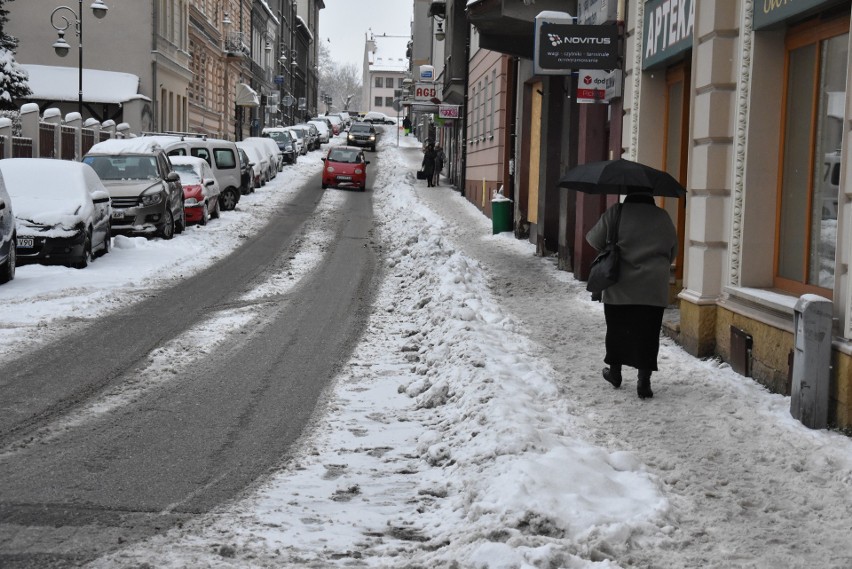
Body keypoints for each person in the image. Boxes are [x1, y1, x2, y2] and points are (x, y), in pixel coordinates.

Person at [585, 193, 678, 399]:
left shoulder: (616, 212)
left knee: (617, 329)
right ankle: (644, 382)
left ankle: (615, 373)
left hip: (619, 284)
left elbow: (593, 239)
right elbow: (673, 251)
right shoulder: (663, 216)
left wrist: (614, 244)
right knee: (648, 334)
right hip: (653, 288)